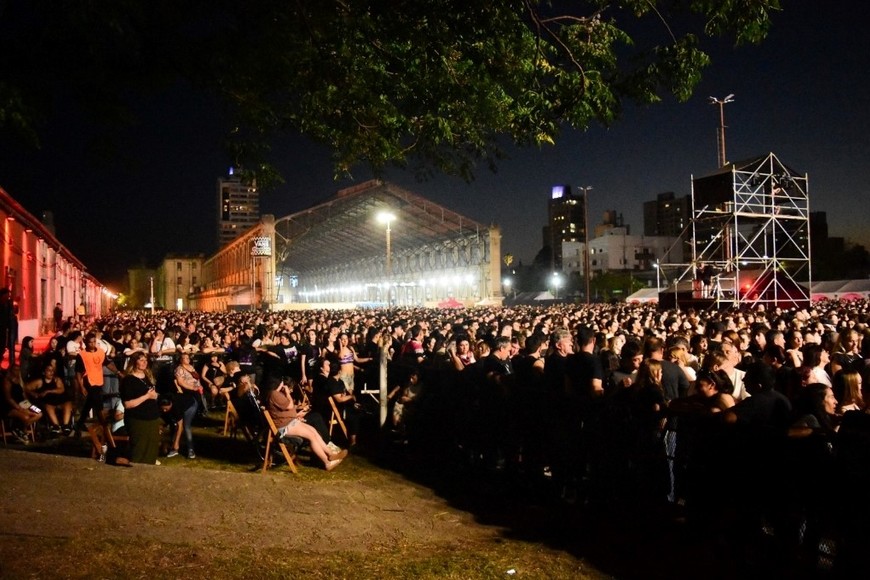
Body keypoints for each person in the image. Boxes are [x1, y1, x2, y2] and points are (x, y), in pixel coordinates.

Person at [266, 378, 346, 471]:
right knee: (311, 436)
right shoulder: (274, 394)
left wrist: (296, 415)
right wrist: (287, 393)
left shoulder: (275, 394)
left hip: (291, 422)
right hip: (285, 426)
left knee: (314, 431)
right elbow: (289, 406)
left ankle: (331, 454)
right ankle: (327, 463)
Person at [119, 352, 161, 464]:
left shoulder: (148, 377)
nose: (144, 362)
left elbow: (153, 394)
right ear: (134, 362)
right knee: (139, 448)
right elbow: (128, 404)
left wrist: (155, 396)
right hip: (138, 419)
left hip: (152, 417)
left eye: (145, 360)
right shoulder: (128, 380)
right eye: (141, 360)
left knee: (152, 447)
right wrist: (147, 396)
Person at [25, 360, 73, 434]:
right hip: (48, 402)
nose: (51, 372)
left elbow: (61, 390)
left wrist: (48, 391)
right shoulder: (40, 381)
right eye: (49, 370)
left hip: (59, 400)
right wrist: (34, 394)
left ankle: (66, 425)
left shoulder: (57, 380)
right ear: (44, 372)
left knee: (68, 403)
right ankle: (56, 425)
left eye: (52, 370)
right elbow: (26, 388)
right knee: (49, 407)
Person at [1, 365, 42, 441]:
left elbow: (23, 395)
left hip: (23, 403)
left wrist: (30, 405)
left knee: (39, 412)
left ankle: (22, 429)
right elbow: (8, 398)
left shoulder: (19, 380)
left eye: (18, 370)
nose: (17, 372)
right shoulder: (7, 381)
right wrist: (18, 408)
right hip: (11, 405)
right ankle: (21, 430)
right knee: (26, 417)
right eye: (15, 370)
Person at [173, 352, 201, 458]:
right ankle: (190, 449)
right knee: (186, 424)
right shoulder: (179, 369)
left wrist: (199, 387)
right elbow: (181, 382)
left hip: (196, 393)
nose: (187, 359)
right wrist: (192, 388)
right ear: (180, 360)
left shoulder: (191, 367)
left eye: (188, 358)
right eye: (184, 358)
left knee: (187, 423)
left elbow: (197, 379)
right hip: (187, 394)